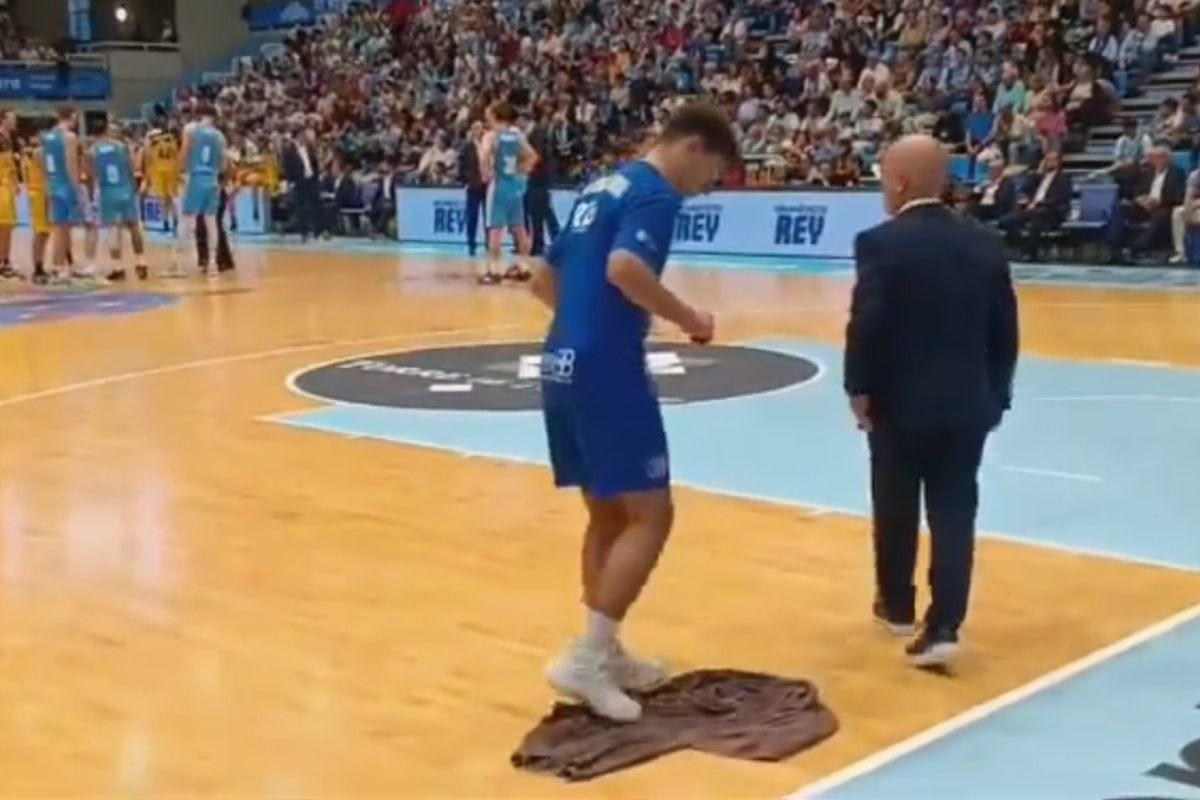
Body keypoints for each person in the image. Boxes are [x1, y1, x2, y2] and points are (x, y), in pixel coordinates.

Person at [528, 103, 737, 720]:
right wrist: (689, 318)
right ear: (694, 148)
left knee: (609, 513)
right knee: (651, 513)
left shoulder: (600, 187)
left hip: (561, 360)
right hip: (608, 369)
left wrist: (584, 323)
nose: (702, 189)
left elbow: (541, 278)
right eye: (711, 175)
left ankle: (606, 650)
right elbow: (625, 268)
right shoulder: (655, 195)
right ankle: (587, 658)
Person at [844, 134, 1019, 668]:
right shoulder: (985, 242)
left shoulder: (880, 242)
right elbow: (1005, 330)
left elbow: (867, 324)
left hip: (898, 403)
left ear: (899, 182)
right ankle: (944, 625)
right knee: (954, 511)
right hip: (967, 403)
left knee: (894, 503)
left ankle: (897, 605)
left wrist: (858, 388)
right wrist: (996, 396)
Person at [479, 101, 536, 284]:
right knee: (519, 228)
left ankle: (494, 270)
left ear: (496, 115)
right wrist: (521, 172)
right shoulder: (517, 134)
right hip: (515, 185)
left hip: (499, 185)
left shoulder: (491, 136)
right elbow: (532, 156)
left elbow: (484, 156)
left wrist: (485, 172)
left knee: (495, 230)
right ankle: (523, 266)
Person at [42, 106, 100, 284]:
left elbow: (44, 162)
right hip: (66, 186)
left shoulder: (47, 136)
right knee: (64, 229)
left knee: (60, 228)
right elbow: (70, 164)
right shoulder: (69, 137)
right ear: (72, 116)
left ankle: (62, 267)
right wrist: (76, 189)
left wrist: (48, 184)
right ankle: (59, 267)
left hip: (53, 184)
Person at [1106, 145, 1186, 262]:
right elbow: (1136, 190)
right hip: (1143, 206)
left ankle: (1136, 248)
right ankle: (1114, 247)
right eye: (1151, 158)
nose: (1150, 161)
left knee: (1160, 216)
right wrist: (1139, 199)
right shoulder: (1147, 172)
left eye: (1154, 158)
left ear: (1166, 158)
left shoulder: (1178, 173)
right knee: (1120, 208)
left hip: (1164, 207)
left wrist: (1158, 202)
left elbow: (1179, 196)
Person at [92, 121, 149, 281]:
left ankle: (118, 267)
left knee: (112, 229)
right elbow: (131, 168)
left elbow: (92, 174)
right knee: (134, 226)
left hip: (107, 191)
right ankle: (141, 261)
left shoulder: (93, 150)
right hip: (125, 188)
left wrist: (91, 193)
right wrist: (133, 188)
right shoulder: (122, 147)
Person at [176, 106, 229, 277]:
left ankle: (180, 266)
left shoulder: (191, 130)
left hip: (195, 178)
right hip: (212, 180)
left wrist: (180, 172)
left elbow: (184, 153)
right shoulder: (219, 135)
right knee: (212, 223)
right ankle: (213, 263)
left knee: (186, 221)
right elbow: (223, 163)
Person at [997, 150, 1073, 260]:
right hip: (1032, 209)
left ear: (1059, 162)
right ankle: (1021, 247)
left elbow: (1061, 198)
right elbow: (1025, 188)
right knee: (1007, 221)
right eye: (1048, 160)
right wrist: (1026, 198)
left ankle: (1030, 253)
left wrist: (1041, 203)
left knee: (1036, 223)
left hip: (1051, 211)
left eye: (1053, 160)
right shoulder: (1038, 177)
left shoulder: (1064, 178)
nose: (1050, 162)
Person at [524, 112, 561, 257]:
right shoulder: (533, 133)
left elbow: (537, 156)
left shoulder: (537, 133)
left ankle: (541, 244)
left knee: (540, 212)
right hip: (536, 178)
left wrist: (526, 168)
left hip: (539, 178)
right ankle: (540, 243)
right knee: (539, 211)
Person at [21, 126, 52, 283]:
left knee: (44, 232)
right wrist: (49, 196)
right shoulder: (41, 152)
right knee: (41, 231)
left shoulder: (36, 152)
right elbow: (46, 176)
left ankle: (40, 265)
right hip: (40, 193)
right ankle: (37, 268)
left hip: (37, 192)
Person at [144, 121, 180, 235]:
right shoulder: (174, 140)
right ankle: (174, 221)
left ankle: (166, 222)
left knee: (165, 200)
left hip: (159, 172)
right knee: (171, 199)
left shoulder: (154, 141)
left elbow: (148, 155)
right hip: (172, 171)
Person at [458, 121, 486, 257]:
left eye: (480, 128)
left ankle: (489, 243)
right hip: (473, 186)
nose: (478, 131)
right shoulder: (467, 148)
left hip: (487, 185)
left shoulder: (488, 146)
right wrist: (467, 181)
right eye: (475, 128)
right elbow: (461, 167)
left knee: (489, 217)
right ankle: (471, 244)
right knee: (472, 216)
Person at [1169, 166, 1200, 264]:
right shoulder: (1195, 175)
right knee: (1178, 212)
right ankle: (1180, 253)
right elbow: (1187, 200)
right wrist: (1191, 205)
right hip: (1196, 210)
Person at [0, 110, 18, 279]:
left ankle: (5, 260)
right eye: (12, 118)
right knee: (3, 225)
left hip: (8, 187)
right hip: (1, 187)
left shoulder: (10, 138)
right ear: (3, 120)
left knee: (8, 226)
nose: (15, 121)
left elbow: (11, 164)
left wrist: (15, 182)